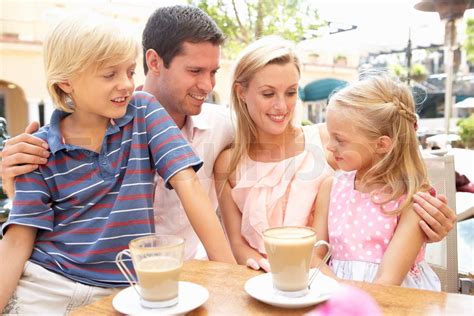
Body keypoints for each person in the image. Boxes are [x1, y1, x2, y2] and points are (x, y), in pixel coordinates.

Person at [0, 5, 456, 261]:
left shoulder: (224, 128)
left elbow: (372, 177)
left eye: (214, 71)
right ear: (154, 62)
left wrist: (426, 221)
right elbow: (60, 208)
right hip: (128, 273)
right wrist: (13, 180)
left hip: (229, 276)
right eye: (195, 70)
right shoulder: (106, 126)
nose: (207, 85)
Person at [0, 14, 234, 314]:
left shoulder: (144, 113)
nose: (126, 84)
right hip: (46, 285)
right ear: (66, 83)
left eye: (130, 71)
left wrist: (232, 279)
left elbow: (189, 187)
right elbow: (17, 242)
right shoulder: (38, 149)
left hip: (124, 288)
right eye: (110, 74)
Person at [214, 36, 455, 273]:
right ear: (241, 92)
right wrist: (271, 275)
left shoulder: (330, 141)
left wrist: (432, 223)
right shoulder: (229, 163)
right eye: (268, 94)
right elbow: (237, 244)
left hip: (325, 282)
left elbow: (395, 187)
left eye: (290, 92)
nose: (282, 106)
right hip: (261, 279)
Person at [312, 74, 440, 290]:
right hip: (337, 297)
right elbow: (313, 256)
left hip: (394, 303)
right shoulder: (331, 188)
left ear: (381, 144)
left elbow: (387, 282)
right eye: (330, 136)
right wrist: (339, 293)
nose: (330, 147)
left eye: (340, 140)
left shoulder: (412, 199)